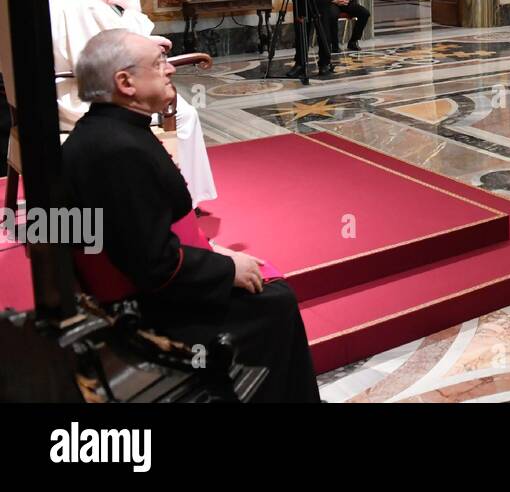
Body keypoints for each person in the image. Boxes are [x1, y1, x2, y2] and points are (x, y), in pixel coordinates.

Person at [62, 30, 319, 402]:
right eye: (157, 64)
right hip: (146, 314)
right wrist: (226, 270)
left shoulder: (109, 132)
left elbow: (142, 233)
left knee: (271, 292)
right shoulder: (117, 151)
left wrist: (214, 250)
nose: (169, 69)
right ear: (125, 82)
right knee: (274, 302)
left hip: (153, 284)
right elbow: (154, 264)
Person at [49, 0, 217, 206]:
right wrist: (135, 13)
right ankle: (181, 201)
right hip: (83, 98)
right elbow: (115, 53)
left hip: (69, 90)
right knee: (183, 114)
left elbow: (105, 43)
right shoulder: (83, 4)